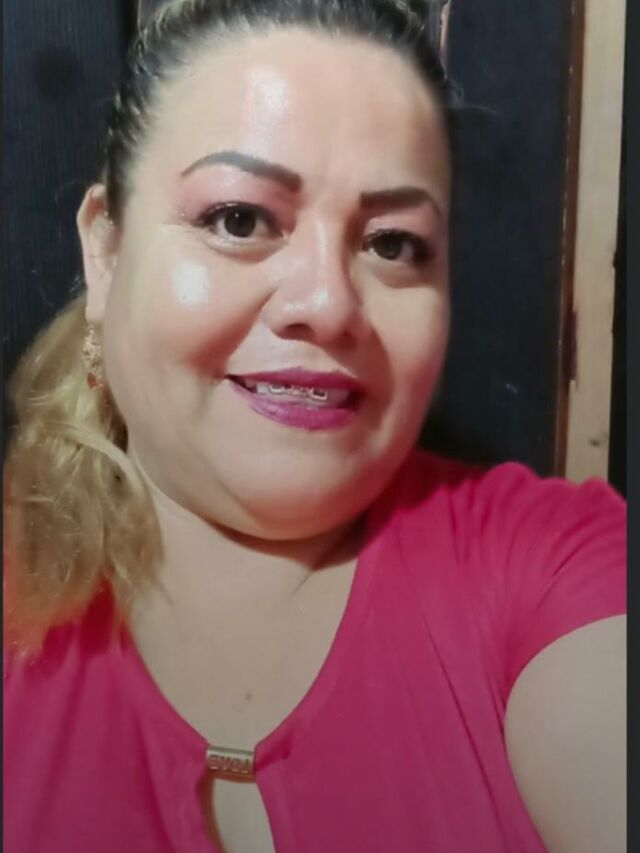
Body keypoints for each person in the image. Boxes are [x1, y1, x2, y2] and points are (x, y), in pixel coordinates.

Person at [3, 1, 626, 852]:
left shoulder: (555, 559)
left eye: (393, 244)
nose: (329, 304)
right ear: (106, 252)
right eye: (240, 220)